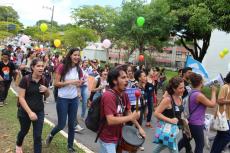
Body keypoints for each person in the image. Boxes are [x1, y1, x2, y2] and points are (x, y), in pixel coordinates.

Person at [98, 65, 146, 153]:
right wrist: (131, 118)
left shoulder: (124, 94)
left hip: (119, 136)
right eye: (123, 78)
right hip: (107, 138)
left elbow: (128, 112)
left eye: (127, 77)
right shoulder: (108, 96)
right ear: (114, 81)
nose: (127, 80)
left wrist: (139, 127)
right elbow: (110, 120)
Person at [46, 48, 83, 153]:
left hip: (74, 99)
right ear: (70, 55)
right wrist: (71, 82)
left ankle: (70, 147)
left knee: (72, 125)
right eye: (74, 55)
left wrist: (79, 88)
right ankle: (51, 135)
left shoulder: (78, 69)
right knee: (61, 124)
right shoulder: (62, 67)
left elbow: (79, 82)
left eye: (78, 55)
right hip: (63, 99)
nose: (76, 57)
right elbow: (56, 84)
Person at [16, 58, 50, 153]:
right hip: (25, 112)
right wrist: (30, 112)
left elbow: (47, 96)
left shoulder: (44, 80)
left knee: (38, 136)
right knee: (24, 131)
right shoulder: (25, 79)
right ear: (32, 67)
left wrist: (46, 90)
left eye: (42, 66)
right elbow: (21, 98)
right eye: (38, 66)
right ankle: (18, 144)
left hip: (39, 111)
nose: (41, 68)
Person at [179, 73, 216, 153]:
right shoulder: (198, 95)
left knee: (184, 141)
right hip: (196, 124)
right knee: (200, 145)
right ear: (201, 83)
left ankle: (174, 150)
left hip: (189, 122)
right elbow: (212, 104)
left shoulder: (191, 92)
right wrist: (213, 92)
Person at [153, 76, 184, 153]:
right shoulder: (168, 100)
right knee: (173, 149)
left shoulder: (180, 97)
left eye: (183, 87)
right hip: (167, 130)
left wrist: (184, 122)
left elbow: (179, 113)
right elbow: (156, 113)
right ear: (174, 89)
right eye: (180, 88)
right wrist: (170, 120)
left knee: (161, 146)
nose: (183, 89)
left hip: (174, 130)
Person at [211, 72, 230, 153]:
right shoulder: (225, 87)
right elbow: (219, 101)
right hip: (223, 116)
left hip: (228, 116)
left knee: (220, 136)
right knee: (226, 137)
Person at [178, 67, 193, 153]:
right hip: (181, 110)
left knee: (186, 132)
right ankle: (187, 149)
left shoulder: (189, 83)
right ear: (184, 73)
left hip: (187, 111)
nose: (191, 74)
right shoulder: (181, 83)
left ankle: (187, 149)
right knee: (186, 132)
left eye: (191, 72)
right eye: (189, 72)